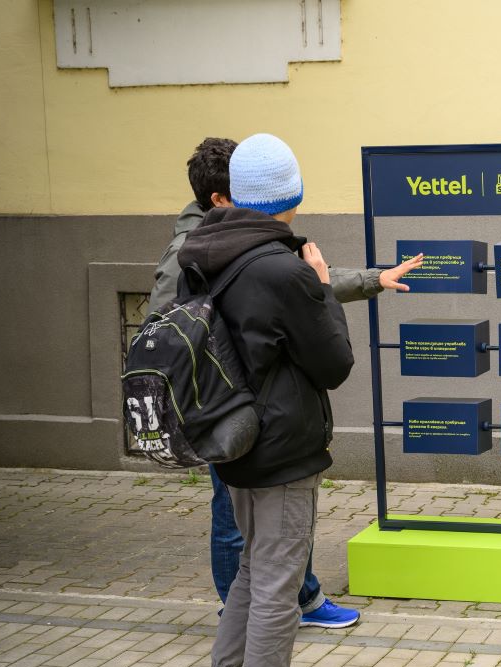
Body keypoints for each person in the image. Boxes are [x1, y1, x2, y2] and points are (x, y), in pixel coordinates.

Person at [152, 137, 420, 629]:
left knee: (278, 527)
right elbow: (172, 328)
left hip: (260, 408)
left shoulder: (248, 241)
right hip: (227, 407)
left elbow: (290, 283)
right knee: (236, 523)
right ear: (221, 199)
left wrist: (370, 280)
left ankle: (294, 601)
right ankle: (250, 618)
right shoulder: (192, 252)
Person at [178, 133, 361, 667]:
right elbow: (335, 364)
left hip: (230, 440)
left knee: (256, 569)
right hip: (281, 448)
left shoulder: (201, 256)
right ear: (290, 196)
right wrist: (321, 283)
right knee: (278, 581)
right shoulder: (284, 270)